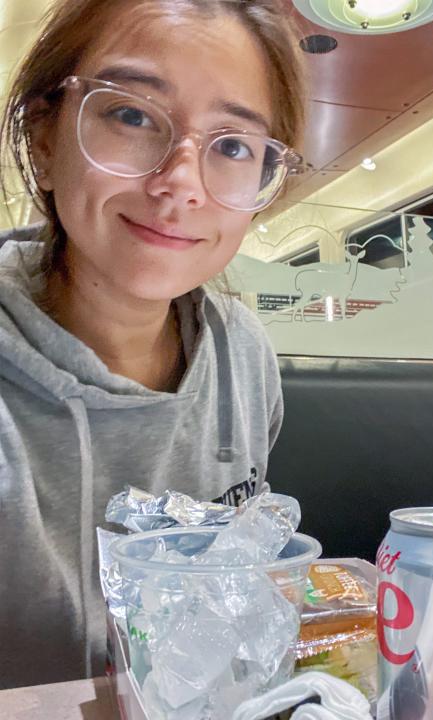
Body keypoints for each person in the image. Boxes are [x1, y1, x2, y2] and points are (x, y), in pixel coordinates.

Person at [0, 0, 306, 687]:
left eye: (232, 146)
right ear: (44, 138)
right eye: (132, 116)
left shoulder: (244, 356)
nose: (181, 183)